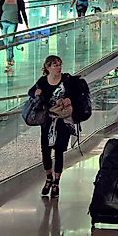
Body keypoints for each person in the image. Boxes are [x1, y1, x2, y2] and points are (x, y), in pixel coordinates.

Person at [30, 55, 86, 200]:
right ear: (47, 67)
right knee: (45, 150)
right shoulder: (43, 81)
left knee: (59, 150)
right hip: (47, 120)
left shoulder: (67, 80)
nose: (58, 67)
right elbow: (31, 91)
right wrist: (35, 93)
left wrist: (70, 99)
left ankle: (56, 181)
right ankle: (48, 177)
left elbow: (78, 93)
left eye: (59, 64)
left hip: (63, 120)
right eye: (55, 65)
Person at [0, 0, 29, 72]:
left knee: (10, 41)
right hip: (3, 22)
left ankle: (8, 62)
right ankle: (11, 57)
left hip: (13, 22)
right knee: (5, 42)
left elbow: (23, 12)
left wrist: (26, 25)